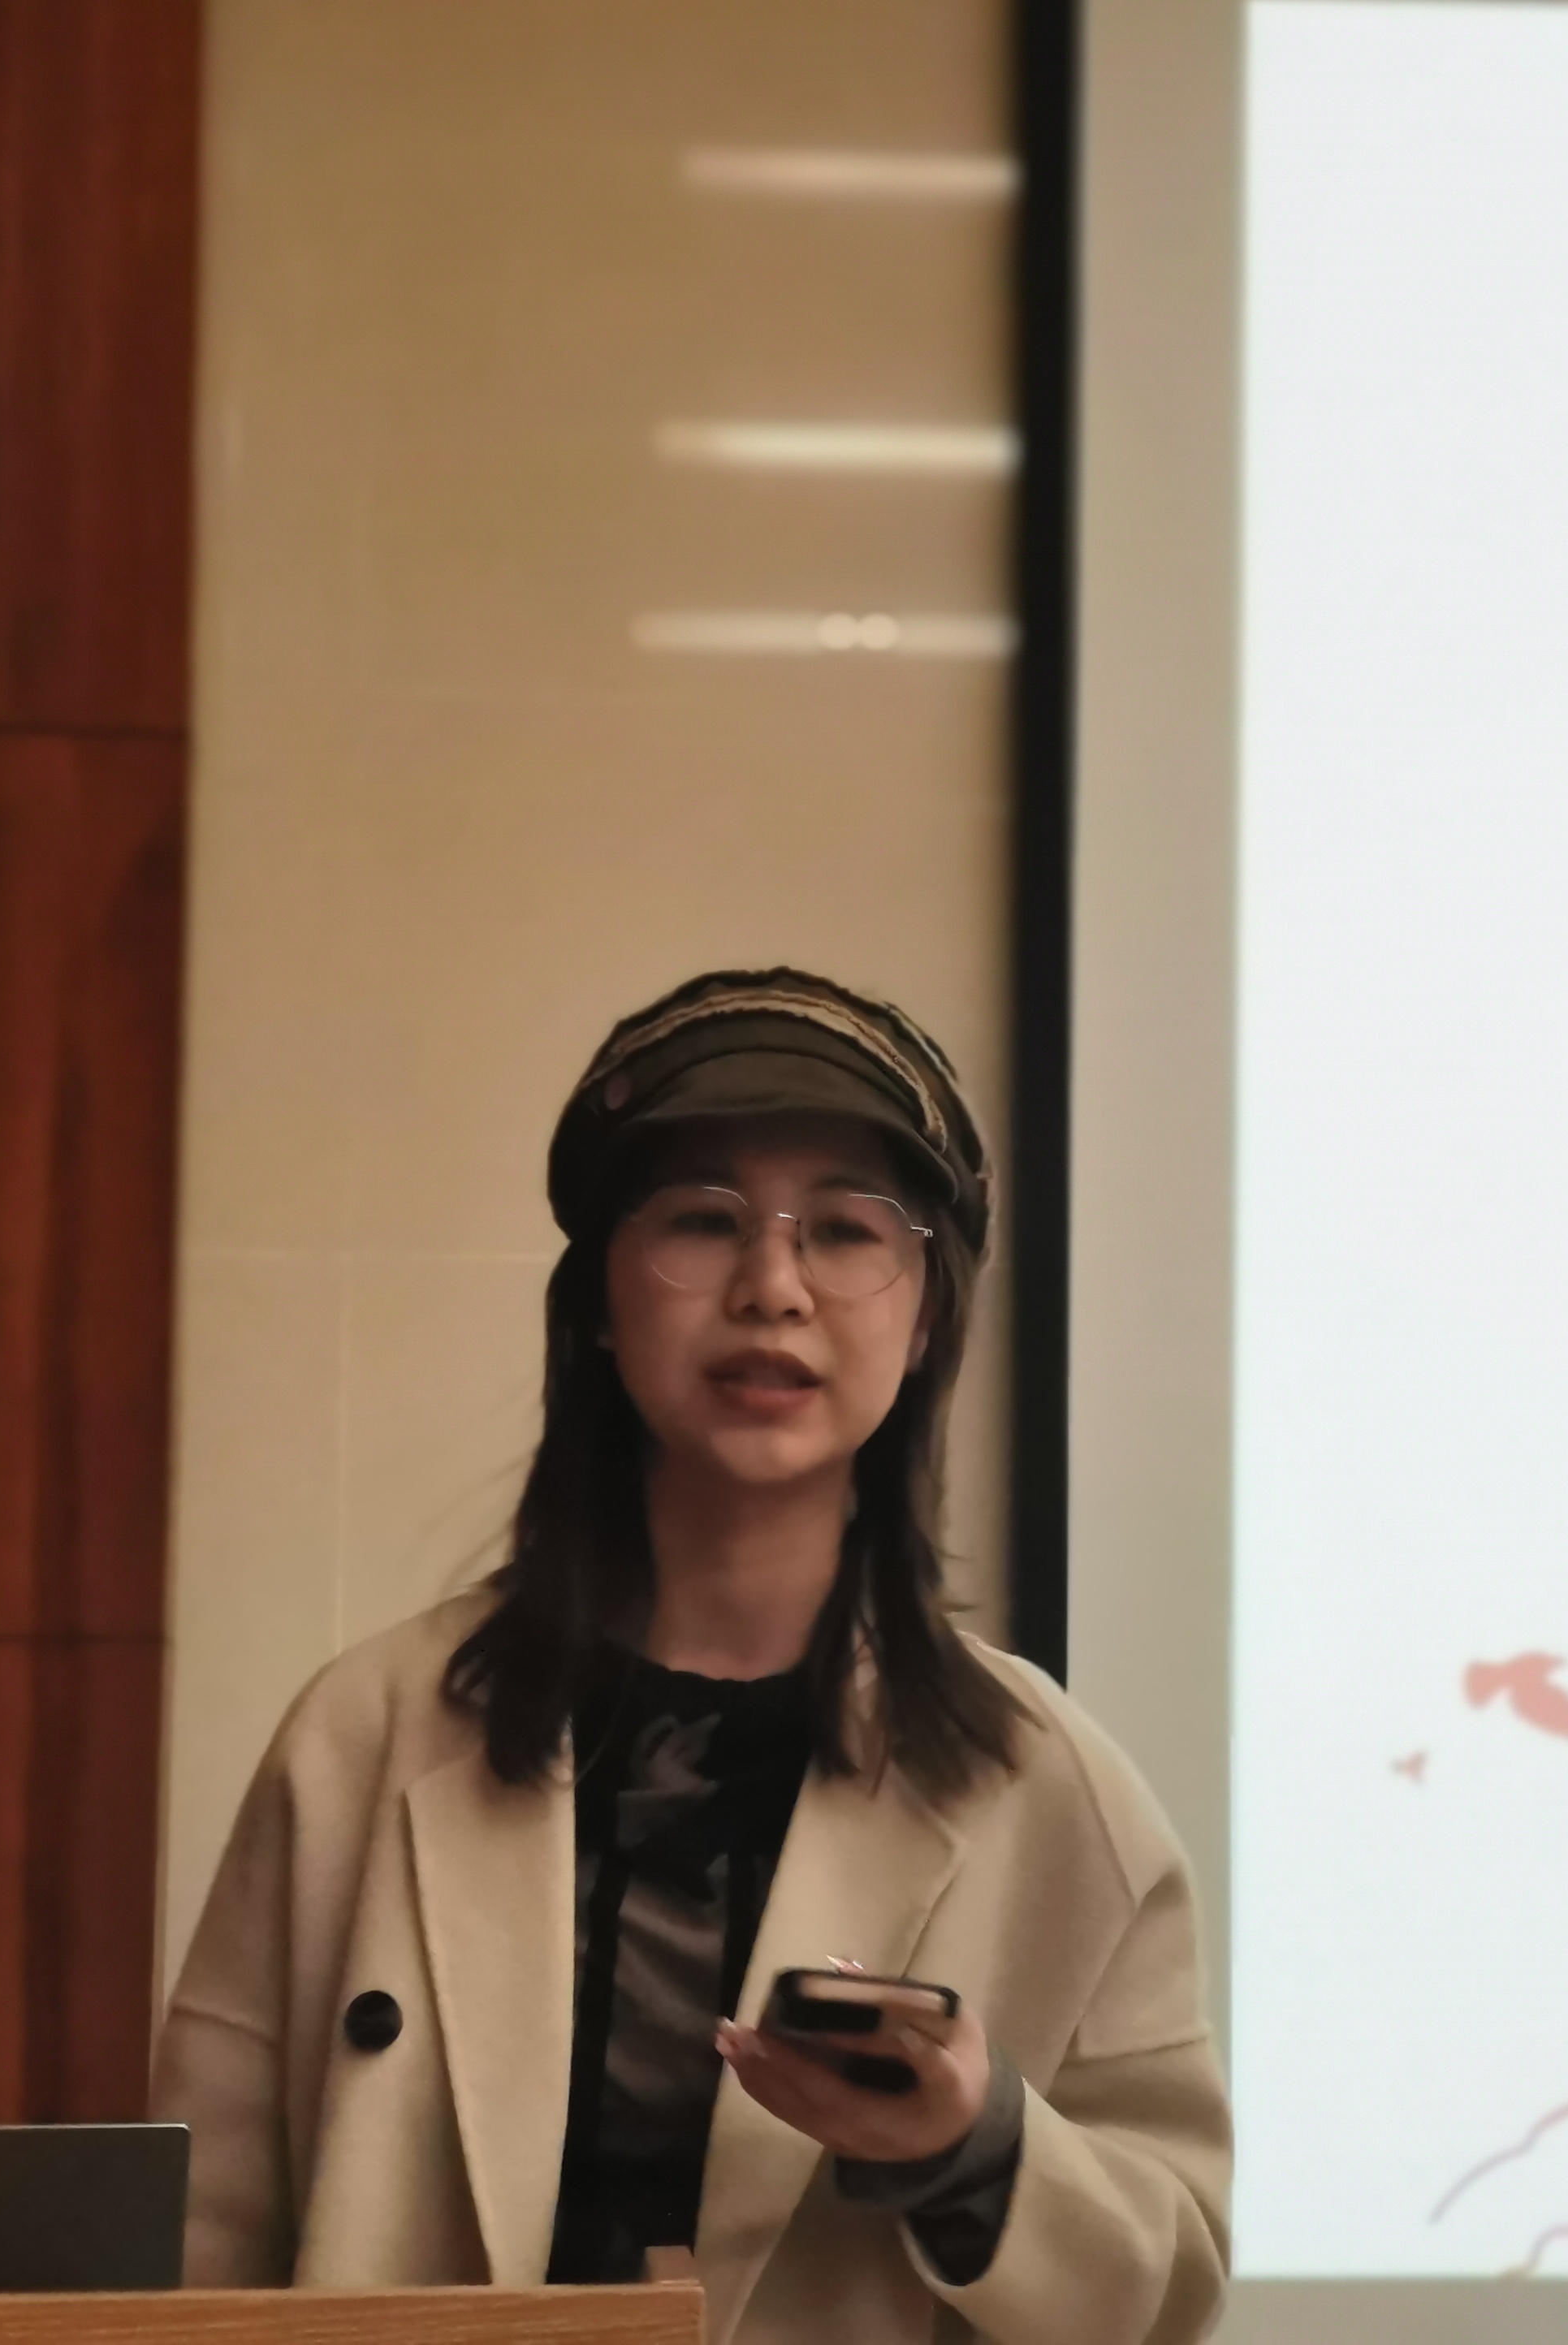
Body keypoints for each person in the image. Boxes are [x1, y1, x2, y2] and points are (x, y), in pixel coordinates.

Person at [154, 968, 1230, 2344]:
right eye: (704, 1221)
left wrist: (976, 2144)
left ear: (925, 1320)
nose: (771, 1288)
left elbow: (1169, 2291)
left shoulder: (1048, 1783)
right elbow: (197, 2247)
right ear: (600, 1302)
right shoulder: (365, 1732)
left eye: (844, 1230)